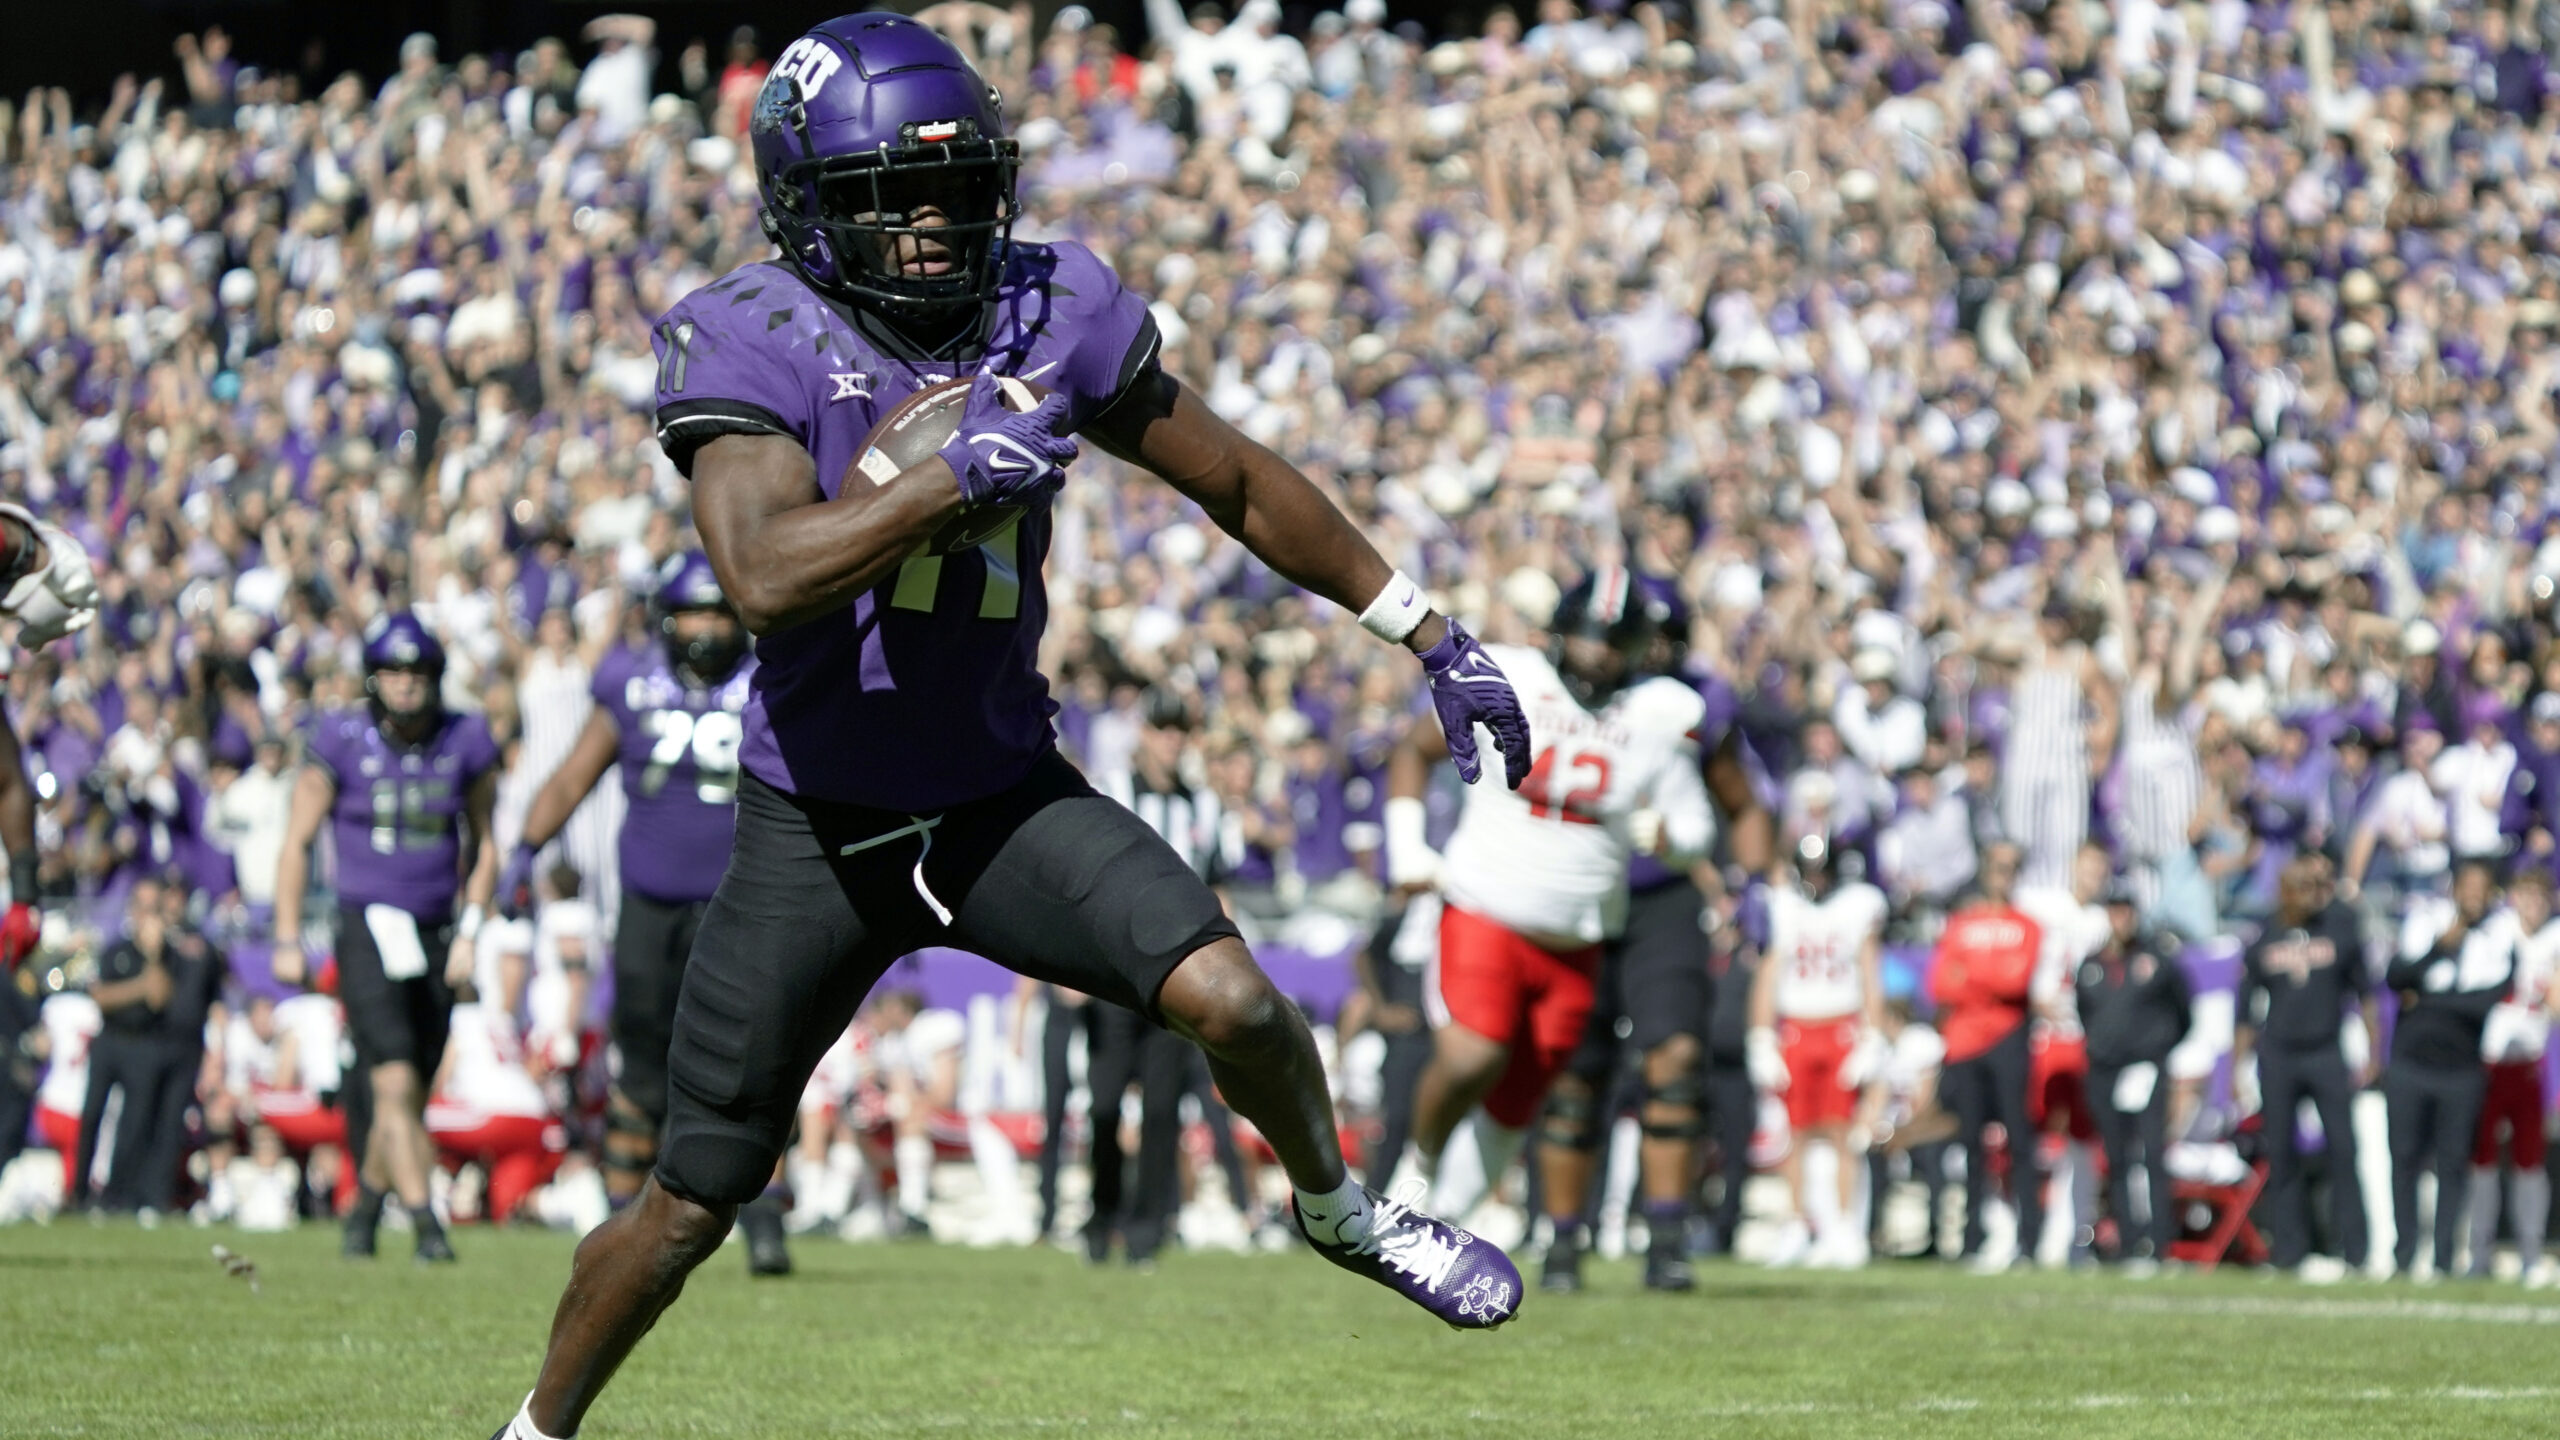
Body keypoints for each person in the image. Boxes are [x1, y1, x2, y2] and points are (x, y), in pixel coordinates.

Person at [494, 17, 1536, 1437]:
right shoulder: (751, 328)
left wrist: (1424, 627)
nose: (932, 223)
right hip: (818, 831)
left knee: (1237, 1002)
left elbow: (1231, 476)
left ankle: (1342, 1212)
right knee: (688, 1205)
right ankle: (534, 1430)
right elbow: (762, 576)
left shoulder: (1050, 306)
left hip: (998, 799)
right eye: (890, 196)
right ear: (806, 203)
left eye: (954, 186)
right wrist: (944, 483)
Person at [1389, 567, 1712, 1233]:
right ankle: (1411, 1176)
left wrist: (1670, 839)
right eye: (1587, 637)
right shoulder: (1508, 674)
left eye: (1611, 643)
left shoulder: (1661, 711)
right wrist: (1406, 847)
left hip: (1579, 938)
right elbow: (1414, 751)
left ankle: (1432, 1228)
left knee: (1517, 1105)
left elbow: (1697, 825)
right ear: (1558, 634)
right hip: (1485, 906)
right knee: (1472, 1054)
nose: (1596, 656)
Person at [498, 551, 765, 1248]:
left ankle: (763, 1218)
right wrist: (525, 847)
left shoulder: (766, 682)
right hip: (648, 905)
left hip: (736, 908)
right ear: (666, 619)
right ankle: (622, 1216)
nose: (707, 629)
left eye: (718, 613)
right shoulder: (630, 682)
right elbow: (572, 777)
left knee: (742, 1067)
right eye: (693, 613)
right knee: (642, 1065)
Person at [1541, 619, 1774, 1294]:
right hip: (1579, 890)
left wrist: (1751, 884)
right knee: (1574, 1075)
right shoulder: (1550, 693)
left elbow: (1743, 801)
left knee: (1673, 1061)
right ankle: (1562, 1242)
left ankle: (1667, 1240)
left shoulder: (1687, 708)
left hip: (1662, 899)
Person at [273, 612, 503, 1263]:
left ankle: (365, 1211)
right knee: (394, 1081)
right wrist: (286, 936)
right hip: (365, 925)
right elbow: (296, 841)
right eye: (394, 670)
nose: (406, 682)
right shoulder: (340, 737)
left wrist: (472, 928)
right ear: (374, 676)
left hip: (437, 929)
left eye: (418, 670)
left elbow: (488, 844)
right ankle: (428, 1225)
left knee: (415, 1085)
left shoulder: (465, 737)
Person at [1747, 832, 1888, 1269]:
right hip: (1796, 1028)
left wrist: (1873, 1034)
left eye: (1822, 870)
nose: (1816, 879)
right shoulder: (1784, 907)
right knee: (1794, 1134)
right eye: (1809, 870)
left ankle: (1844, 1227)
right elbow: (1769, 973)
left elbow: (1869, 972)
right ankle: (1797, 1225)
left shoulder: (1856, 906)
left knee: (1843, 1132)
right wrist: (1761, 1036)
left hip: (1840, 1025)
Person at [2234, 852, 2375, 1278]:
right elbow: (2246, 1009)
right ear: (2285, 892)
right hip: (2279, 1054)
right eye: (2304, 887)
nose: (2314, 894)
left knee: (2344, 1149)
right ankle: (2288, 1251)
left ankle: (2356, 1251)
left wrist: (2373, 1051)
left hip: (2325, 1050)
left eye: (2318, 886)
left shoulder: (2338, 930)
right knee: (2281, 1153)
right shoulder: (2264, 936)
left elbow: (2366, 994)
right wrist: (2238, 1068)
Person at [2384, 860, 2516, 1280]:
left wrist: (2426, 1001)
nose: (2474, 894)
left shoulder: (2500, 935)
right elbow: (2397, 977)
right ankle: (2404, 1255)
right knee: (2404, 1158)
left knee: (2453, 1162)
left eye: (2482, 887)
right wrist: (2442, 946)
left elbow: (2487, 1000)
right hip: (2410, 1062)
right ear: (2454, 889)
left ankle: (2443, 1258)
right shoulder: (2426, 922)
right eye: (2468, 886)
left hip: (2461, 1070)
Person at [1929, 842, 2045, 1270]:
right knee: (1970, 1145)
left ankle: (2030, 1241)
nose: (2002, 873)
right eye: (1997, 866)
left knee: (2019, 1141)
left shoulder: (2027, 926)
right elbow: (1941, 984)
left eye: (2010, 867)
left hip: (2008, 1039)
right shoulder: (1961, 924)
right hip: (1964, 1044)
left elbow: (2018, 981)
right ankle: (1971, 1239)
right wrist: (1991, 976)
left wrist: (1971, 975)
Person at [2076, 884, 2190, 1273]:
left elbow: (2183, 1011)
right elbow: (2085, 1015)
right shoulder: (2091, 966)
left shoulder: (2157, 959)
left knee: (2153, 1153)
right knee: (2117, 1156)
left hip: (2145, 1067)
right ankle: (2127, 1243)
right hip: (2106, 1070)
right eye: (2114, 910)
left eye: (2126, 910)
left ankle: (2160, 1243)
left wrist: (2156, 1047)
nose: (2121, 918)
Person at [2014, 843, 2112, 1266]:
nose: (2093, 876)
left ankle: (2072, 1235)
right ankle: (2024, 1232)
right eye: (2088, 867)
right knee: (2034, 1136)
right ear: (2072, 866)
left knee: (2083, 1140)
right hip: (2042, 1035)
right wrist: (2029, 999)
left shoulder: (2103, 921)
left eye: (2100, 869)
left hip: (2082, 1037)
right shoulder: (2042, 905)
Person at [2467, 866, 2556, 1285]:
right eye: (2527, 895)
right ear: (2514, 898)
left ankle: (2530, 1253)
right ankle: (2478, 1253)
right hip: (2490, 1062)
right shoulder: (2495, 933)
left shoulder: (2555, 938)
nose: (2533, 905)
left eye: (2541, 897)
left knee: (2529, 1161)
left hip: (2530, 1064)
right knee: (2482, 1160)